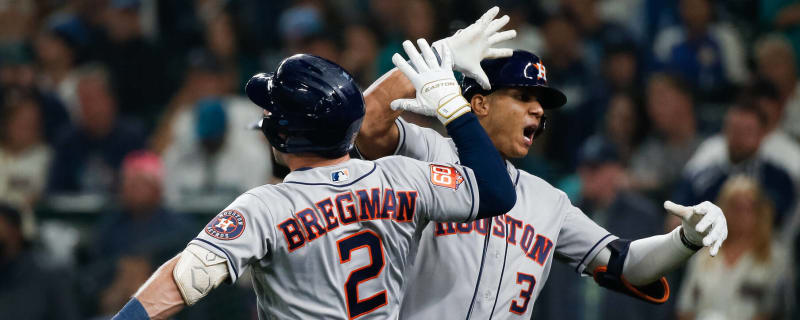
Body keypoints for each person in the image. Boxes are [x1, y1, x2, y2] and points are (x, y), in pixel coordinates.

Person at [355, 7, 728, 319]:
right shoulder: (429, 151)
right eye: (522, 95)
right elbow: (365, 124)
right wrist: (442, 56)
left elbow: (625, 264)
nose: (537, 108)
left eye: (541, 102)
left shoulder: (549, 202)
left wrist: (685, 239)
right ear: (480, 103)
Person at [112, 39, 516, 319]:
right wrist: (455, 111)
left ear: (283, 133)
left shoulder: (266, 207)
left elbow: (186, 279)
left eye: (272, 112)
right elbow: (497, 192)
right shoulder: (402, 177)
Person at [677, 176, 789, 320]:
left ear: (760, 212)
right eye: (735, 207)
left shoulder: (775, 256)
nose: (741, 215)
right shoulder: (703, 252)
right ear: (724, 210)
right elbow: (685, 308)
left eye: (748, 208)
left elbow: (775, 310)